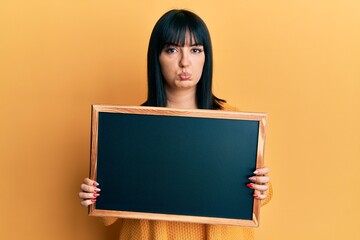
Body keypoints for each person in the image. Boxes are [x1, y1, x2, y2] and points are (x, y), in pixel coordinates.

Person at [79, 9, 272, 240]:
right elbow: (108, 216)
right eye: (172, 49)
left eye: (195, 50)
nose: (184, 62)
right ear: (156, 57)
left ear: (206, 57)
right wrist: (94, 194)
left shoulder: (234, 121)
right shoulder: (130, 126)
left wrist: (262, 187)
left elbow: (261, 194)